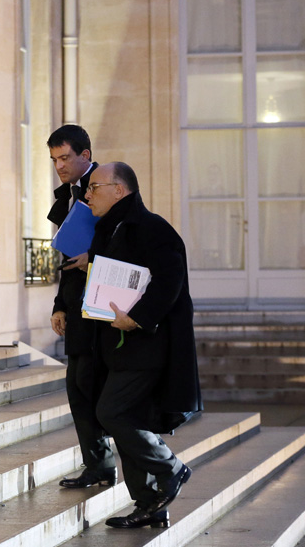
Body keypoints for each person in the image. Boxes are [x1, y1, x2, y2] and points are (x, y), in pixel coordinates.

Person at [83, 162, 203, 529]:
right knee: (128, 419)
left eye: (94, 187)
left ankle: (171, 468)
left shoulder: (153, 229)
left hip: (147, 345)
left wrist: (136, 319)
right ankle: (150, 503)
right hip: (117, 345)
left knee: (112, 413)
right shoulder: (108, 229)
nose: (87, 195)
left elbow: (170, 283)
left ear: (119, 189)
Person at [46, 124, 117, 490]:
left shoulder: (107, 186)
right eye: (54, 159)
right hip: (79, 306)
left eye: (65, 158)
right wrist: (60, 305)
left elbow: (129, 243)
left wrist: (96, 257)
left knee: (91, 386)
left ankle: (114, 465)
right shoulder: (71, 194)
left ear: (85, 156)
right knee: (78, 384)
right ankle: (98, 464)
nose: (59, 165)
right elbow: (69, 260)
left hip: (107, 309)